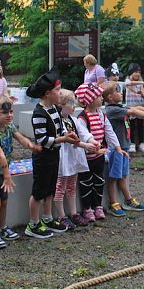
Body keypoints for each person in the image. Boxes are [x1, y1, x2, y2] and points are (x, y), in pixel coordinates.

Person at [0, 94, 40, 248]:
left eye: (11, 112)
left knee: (4, 203)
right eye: (4, 113)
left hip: (2, 173)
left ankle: (2, 227)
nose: (9, 115)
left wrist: (31, 146)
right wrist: (7, 176)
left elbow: (20, 137)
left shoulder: (9, 126)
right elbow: (0, 156)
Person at [24, 69, 78, 239]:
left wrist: (68, 134)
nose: (60, 93)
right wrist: (64, 139)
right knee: (39, 191)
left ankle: (47, 218)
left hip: (54, 155)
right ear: (48, 93)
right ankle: (33, 224)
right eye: (57, 90)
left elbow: (60, 128)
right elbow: (42, 139)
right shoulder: (39, 113)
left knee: (50, 188)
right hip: (43, 157)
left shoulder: (54, 108)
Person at [102, 83, 144, 216]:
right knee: (114, 177)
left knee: (123, 175)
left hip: (123, 146)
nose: (121, 93)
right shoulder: (112, 110)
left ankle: (128, 199)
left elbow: (137, 108)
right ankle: (113, 203)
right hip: (116, 148)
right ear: (110, 97)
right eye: (118, 91)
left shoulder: (119, 107)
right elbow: (133, 111)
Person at [75, 83, 126, 221]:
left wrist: (117, 147)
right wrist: (93, 143)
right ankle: (87, 208)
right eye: (98, 96)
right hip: (86, 158)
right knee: (86, 183)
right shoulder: (82, 117)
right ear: (90, 99)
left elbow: (109, 132)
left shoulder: (101, 115)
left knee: (99, 181)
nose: (102, 98)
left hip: (99, 157)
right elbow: (83, 133)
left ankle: (97, 206)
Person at [52, 89, 94, 231]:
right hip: (63, 157)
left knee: (71, 185)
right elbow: (70, 138)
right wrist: (85, 145)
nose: (73, 106)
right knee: (60, 186)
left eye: (73, 102)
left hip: (73, 157)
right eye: (70, 102)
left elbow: (83, 132)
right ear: (61, 105)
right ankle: (61, 216)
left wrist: (92, 141)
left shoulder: (73, 120)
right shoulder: (57, 121)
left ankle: (73, 213)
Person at [123, 62, 144, 153]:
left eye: (139, 72)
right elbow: (130, 85)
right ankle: (132, 144)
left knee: (140, 126)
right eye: (135, 72)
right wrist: (141, 83)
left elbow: (142, 91)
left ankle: (141, 144)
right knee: (131, 126)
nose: (138, 74)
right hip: (130, 107)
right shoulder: (127, 80)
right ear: (131, 72)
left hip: (140, 106)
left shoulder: (141, 81)